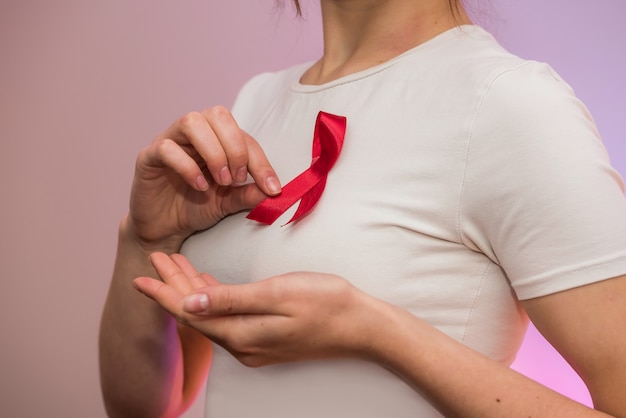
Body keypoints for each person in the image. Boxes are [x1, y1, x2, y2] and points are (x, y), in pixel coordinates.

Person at [99, 0, 626, 417]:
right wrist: (145, 241)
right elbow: (149, 404)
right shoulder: (258, 99)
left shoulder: (510, 104)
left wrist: (377, 332)